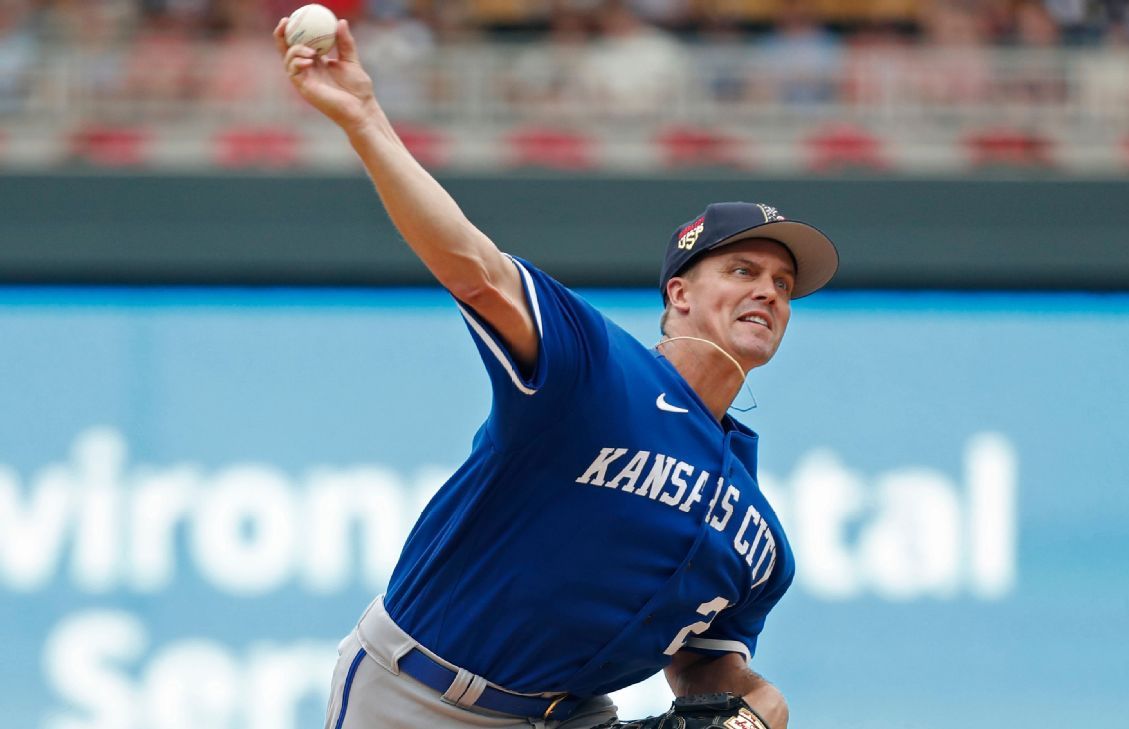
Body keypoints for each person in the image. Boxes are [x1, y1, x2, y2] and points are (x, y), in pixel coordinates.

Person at [274, 15, 838, 729]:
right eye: (743, 269)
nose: (768, 291)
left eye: (784, 285)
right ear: (680, 295)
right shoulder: (593, 367)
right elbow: (476, 272)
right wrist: (363, 117)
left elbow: (702, 663)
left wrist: (753, 704)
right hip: (418, 697)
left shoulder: (760, 539)